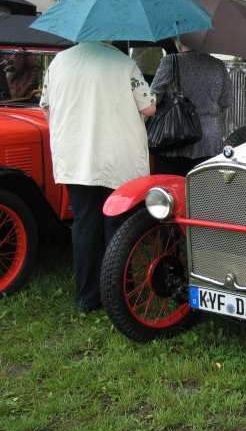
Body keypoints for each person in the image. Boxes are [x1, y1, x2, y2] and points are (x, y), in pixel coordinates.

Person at [39, 40, 156, 313]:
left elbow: (46, 106)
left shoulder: (59, 62)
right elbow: (148, 108)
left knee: (84, 222)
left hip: (76, 156)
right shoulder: (124, 63)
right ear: (111, 35)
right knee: (117, 226)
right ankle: (121, 294)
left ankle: (87, 297)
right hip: (117, 156)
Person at [149, 41, 233, 176]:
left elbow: (151, 99)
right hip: (209, 142)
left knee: (172, 190)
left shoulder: (170, 62)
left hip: (173, 138)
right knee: (204, 191)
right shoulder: (218, 65)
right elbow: (226, 103)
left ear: (178, 42)